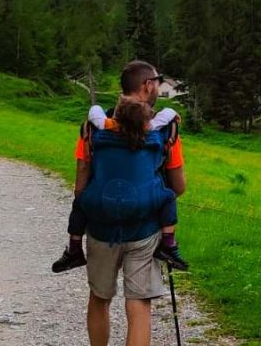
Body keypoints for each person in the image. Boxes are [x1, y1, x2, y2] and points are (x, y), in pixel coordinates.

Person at [52, 62, 187, 273]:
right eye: (158, 85)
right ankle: (169, 245)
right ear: (148, 85)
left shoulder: (97, 126)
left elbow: (81, 179)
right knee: (140, 299)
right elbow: (178, 187)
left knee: (99, 296)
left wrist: (86, 199)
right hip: (146, 224)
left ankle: (74, 249)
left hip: (100, 219)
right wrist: (171, 113)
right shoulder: (157, 130)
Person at [80, 93, 175, 346]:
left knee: (100, 298)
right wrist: (172, 116)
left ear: (115, 118)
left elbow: (94, 112)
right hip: (143, 229)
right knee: (139, 305)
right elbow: (168, 115)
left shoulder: (98, 133)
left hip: (102, 227)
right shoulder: (155, 135)